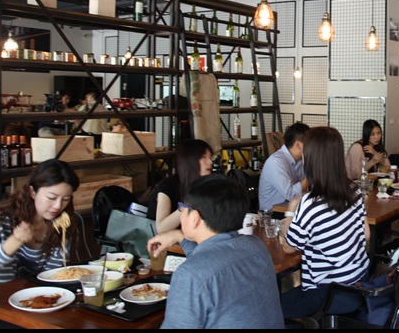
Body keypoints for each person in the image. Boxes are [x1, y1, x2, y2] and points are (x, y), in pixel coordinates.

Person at [147, 176, 283, 328]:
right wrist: (180, 237)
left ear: (195, 218)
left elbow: (203, 272)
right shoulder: (256, 246)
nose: (181, 213)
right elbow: (210, 264)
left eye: (182, 209)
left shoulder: (189, 275)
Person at [279, 126, 370, 318]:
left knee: (268, 308)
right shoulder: (354, 190)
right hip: (360, 284)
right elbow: (366, 235)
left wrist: (291, 211)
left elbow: (288, 247)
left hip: (330, 294)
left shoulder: (310, 204)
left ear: (310, 159)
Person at [0, 159, 80, 287]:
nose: (58, 206)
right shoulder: (0, 219)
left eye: (66, 199)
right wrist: (15, 240)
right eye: (51, 197)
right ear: (32, 192)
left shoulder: (62, 223)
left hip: (39, 292)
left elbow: (53, 273)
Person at [147, 139, 213, 233]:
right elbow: (161, 228)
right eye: (203, 157)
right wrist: (187, 206)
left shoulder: (206, 184)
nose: (210, 162)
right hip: (163, 240)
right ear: (190, 160)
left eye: (210, 157)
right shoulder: (168, 186)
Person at [258, 122, 310, 211]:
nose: (312, 146)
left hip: (291, 210)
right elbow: (291, 194)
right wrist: (313, 177)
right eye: (309, 143)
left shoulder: (300, 160)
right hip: (272, 214)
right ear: (298, 145)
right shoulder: (276, 162)